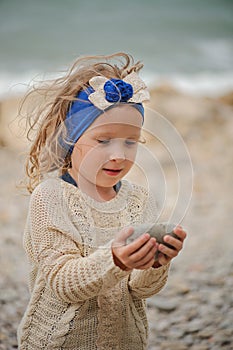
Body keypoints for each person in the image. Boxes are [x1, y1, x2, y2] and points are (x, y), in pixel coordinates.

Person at [18, 52, 186, 349]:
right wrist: (115, 259)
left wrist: (156, 262)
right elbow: (63, 283)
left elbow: (140, 290)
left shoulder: (138, 199)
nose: (119, 154)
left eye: (130, 142)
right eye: (103, 140)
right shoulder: (51, 197)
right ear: (71, 136)